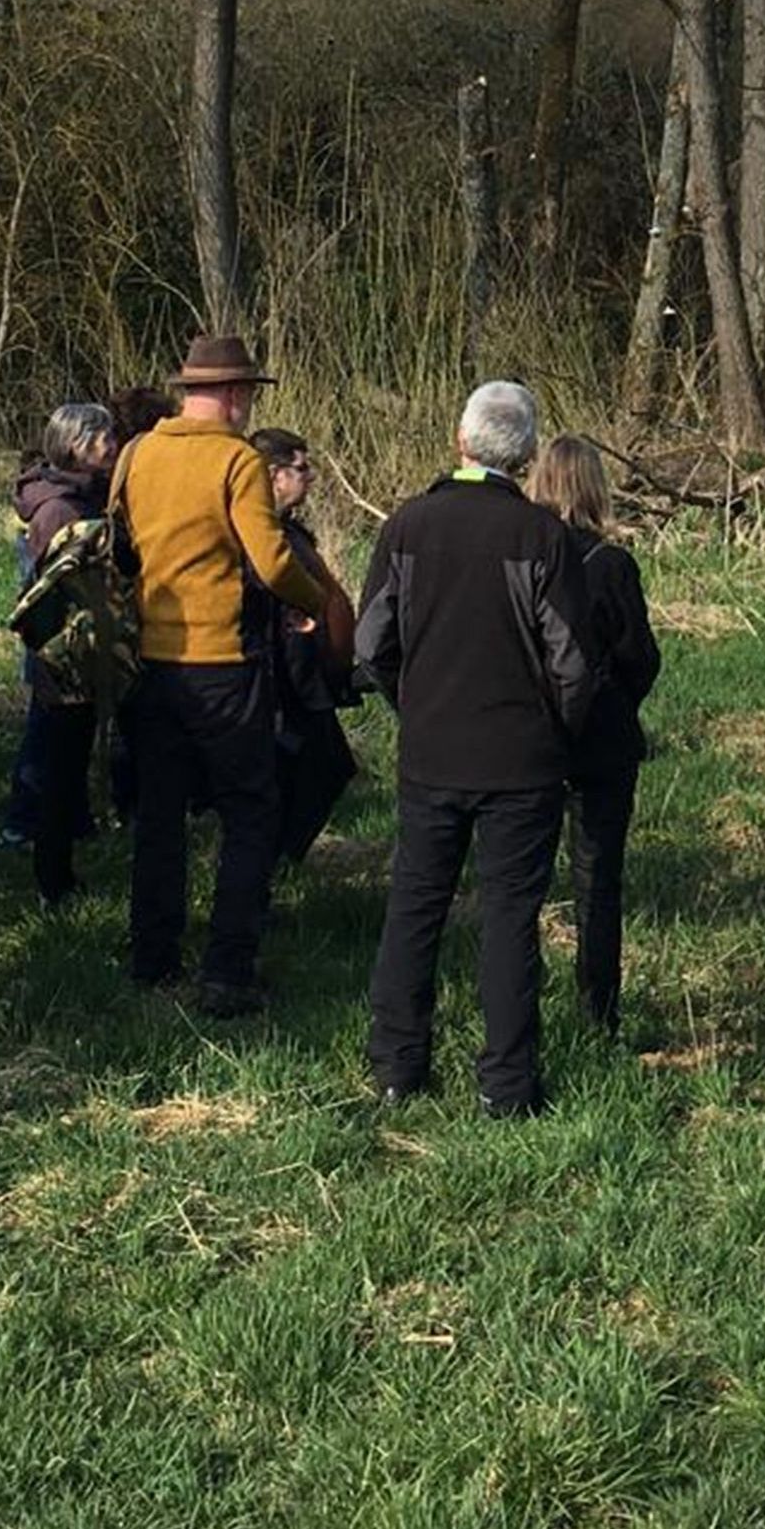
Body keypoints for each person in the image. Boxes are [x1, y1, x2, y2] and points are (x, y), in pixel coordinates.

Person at [355, 382, 600, 1115]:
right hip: (521, 762)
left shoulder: (406, 526)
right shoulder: (541, 537)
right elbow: (575, 664)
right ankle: (506, 1083)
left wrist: (413, 701)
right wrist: (557, 729)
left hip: (430, 753)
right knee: (508, 918)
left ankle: (397, 1066)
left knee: (415, 906)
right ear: (526, 456)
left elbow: (371, 643)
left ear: (458, 441)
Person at [112, 337, 349, 1016]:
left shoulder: (138, 452)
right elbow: (271, 559)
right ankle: (227, 970)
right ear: (238, 393)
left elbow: (123, 543)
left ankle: (151, 957)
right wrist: (315, 602)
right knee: (250, 811)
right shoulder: (237, 460)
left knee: (159, 815)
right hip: (223, 662)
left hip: (152, 659)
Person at [529, 433, 660, 1037]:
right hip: (604, 738)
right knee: (598, 879)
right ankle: (599, 1012)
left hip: (532, 733)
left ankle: (517, 1000)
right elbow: (641, 656)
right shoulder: (610, 565)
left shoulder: (525, 557)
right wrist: (616, 701)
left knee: (519, 879)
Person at [1, 402, 126, 902]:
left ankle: (68, 847)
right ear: (77, 447)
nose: (113, 447)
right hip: (66, 652)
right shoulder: (60, 509)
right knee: (59, 761)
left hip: (86, 645)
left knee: (69, 759)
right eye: (104, 440)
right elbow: (52, 591)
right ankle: (53, 877)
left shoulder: (87, 497)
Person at [250, 427, 361, 869]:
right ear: (275, 475)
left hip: (308, 682)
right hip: (287, 686)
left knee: (325, 768)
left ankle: (274, 863)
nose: (309, 477)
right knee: (310, 771)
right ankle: (269, 866)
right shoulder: (264, 538)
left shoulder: (290, 532)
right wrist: (306, 685)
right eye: (301, 468)